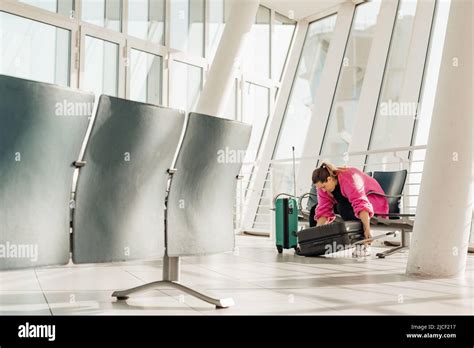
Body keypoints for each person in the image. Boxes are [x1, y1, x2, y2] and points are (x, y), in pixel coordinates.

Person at [312, 162, 389, 256]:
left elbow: (361, 204)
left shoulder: (350, 178)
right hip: (348, 203)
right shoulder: (322, 187)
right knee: (313, 210)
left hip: (374, 201)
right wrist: (315, 236)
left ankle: (362, 244)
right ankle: (316, 246)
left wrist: (367, 229)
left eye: (324, 187)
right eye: (320, 188)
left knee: (343, 207)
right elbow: (323, 211)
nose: (323, 190)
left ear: (329, 179)